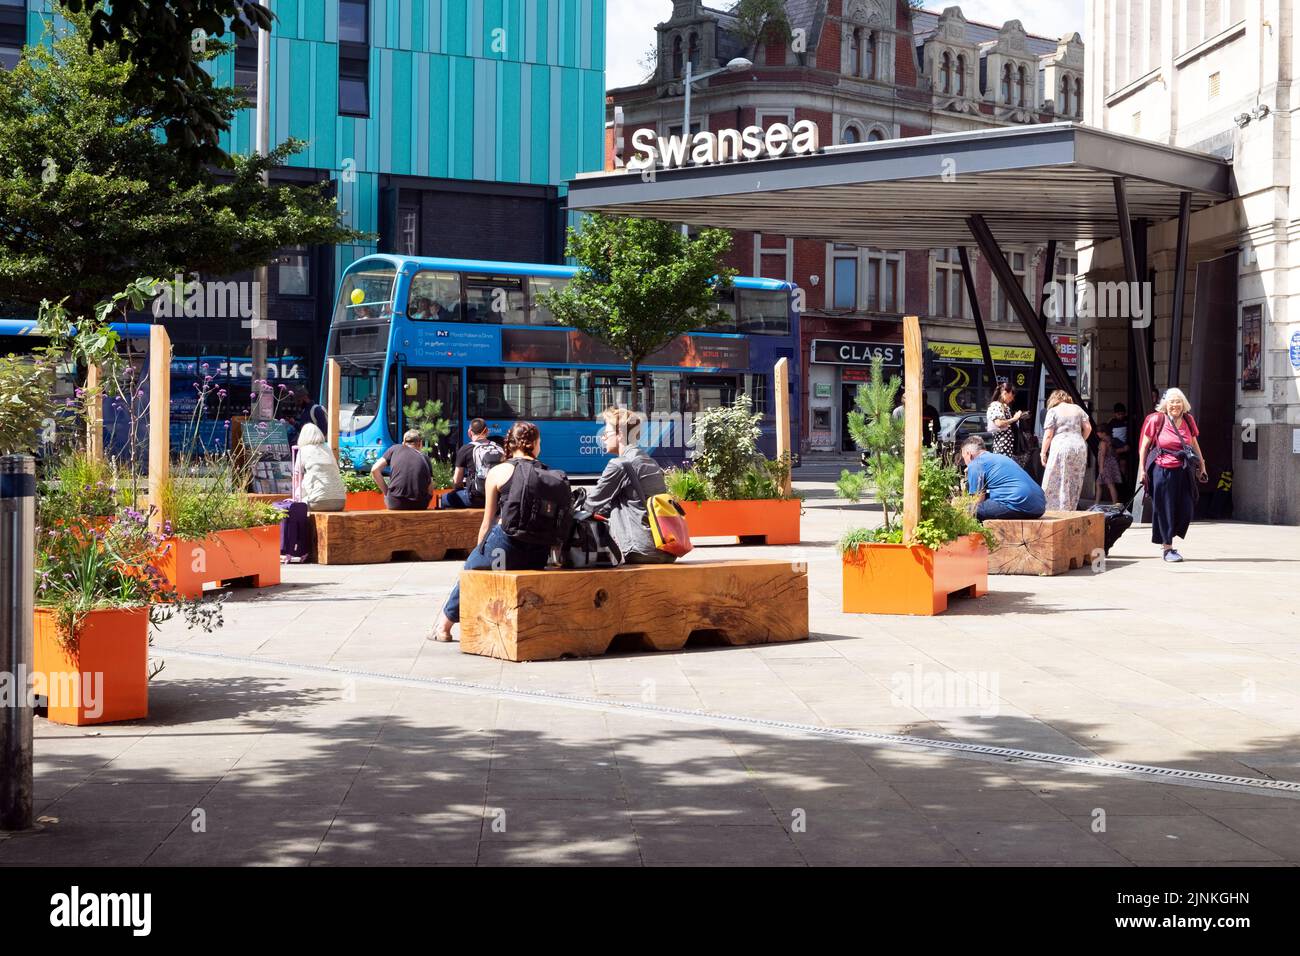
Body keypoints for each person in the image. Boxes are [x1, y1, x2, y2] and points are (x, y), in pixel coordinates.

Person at [430, 422, 554, 642]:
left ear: (511, 443)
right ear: (534, 445)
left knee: (470, 570)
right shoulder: (547, 472)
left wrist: (478, 550)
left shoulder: (499, 472)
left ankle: (444, 626)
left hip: (505, 545)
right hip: (538, 551)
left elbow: (487, 522)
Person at [584, 407, 676, 565]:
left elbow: (590, 504)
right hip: (663, 548)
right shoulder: (649, 460)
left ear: (620, 435)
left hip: (639, 549)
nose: (603, 438)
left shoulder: (620, 464)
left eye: (606, 433)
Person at [1138, 388, 1207, 563]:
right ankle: (1167, 547)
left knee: (1187, 507)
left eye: (1178, 401)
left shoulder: (1188, 420)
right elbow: (1144, 447)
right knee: (1165, 508)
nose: (1175, 405)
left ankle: (1168, 535)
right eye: (1171, 401)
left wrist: (1202, 465)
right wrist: (1142, 470)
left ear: (1183, 404)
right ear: (1165, 404)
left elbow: (1194, 443)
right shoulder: (1156, 419)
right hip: (1162, 468)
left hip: (1183, 468)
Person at [962, 435, 1046, 520]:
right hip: (1039, 507)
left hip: (1016, 504)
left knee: (966, 509)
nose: (965, 462)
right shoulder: (1001, 457)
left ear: (968, 454)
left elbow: (978, 500)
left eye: (963, 457)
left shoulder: (975, 464)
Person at [1039, 389, 1093, 511]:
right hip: (1079, 446)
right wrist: (1079, 439)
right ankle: (1070, 508)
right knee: (1075, 479)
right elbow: (1088, 428)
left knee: (1055, 477)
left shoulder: (1053, 411)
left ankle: (1054, 509)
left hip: (1061, 445)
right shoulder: (1078, 409)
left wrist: (1043, 452)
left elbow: (1048, 435)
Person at [442, 418, 501, 509]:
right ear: (487, 431)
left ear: (470, 432)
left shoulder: (466, 449)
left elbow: (457, 481)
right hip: (497, 498)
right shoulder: (498, 447)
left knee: (444, 499)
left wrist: (461, 488)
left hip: (476, 498)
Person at [371, 429, 433, 511]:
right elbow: (430, 488)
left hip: (395, 503)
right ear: (420, 444)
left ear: (403, 443)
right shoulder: (425, 458)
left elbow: (375, 469)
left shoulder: (394, 449)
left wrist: (387, 492)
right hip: (420, 505)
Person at [293, 422, 346, 512]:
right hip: (340, 501)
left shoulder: (303, 450)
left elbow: (297, 479)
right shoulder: (328, 449)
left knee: (299, 500)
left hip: (318, 502)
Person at [986, 381, 1026, 458]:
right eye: (1011, 396)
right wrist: (1014, 419)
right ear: (1004, 393)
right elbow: (999, 423)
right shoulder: (996, 405)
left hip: (1006, 444)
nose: (1012, 399)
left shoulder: (1004, 406)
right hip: (1002, 444)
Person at [1095, 424, 1122, 504]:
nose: (1097, 434)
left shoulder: (1103, 442)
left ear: (1104, 433)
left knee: (1109, 484)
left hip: (1106, 465)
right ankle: (1097, 503)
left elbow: (1103, 454)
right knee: (1100, 484)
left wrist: (1101, 467)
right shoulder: (1110, 440)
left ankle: (1115, 503)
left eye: (1099, 432)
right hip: (1110, 463)